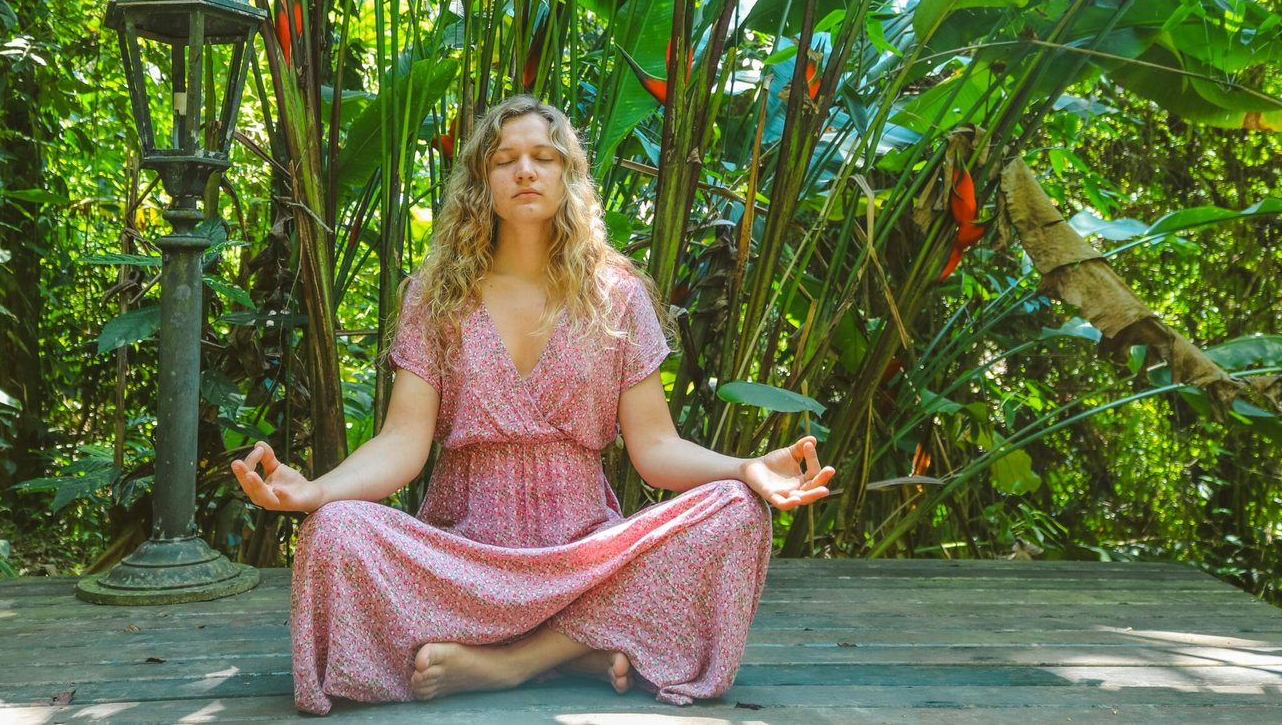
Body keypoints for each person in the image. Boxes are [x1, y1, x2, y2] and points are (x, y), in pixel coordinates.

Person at [231, 95, 834, 715]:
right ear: (480, 181)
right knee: (334, 530)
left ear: (568, 176)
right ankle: (575, 653)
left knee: (737, 510)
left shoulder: (616, 295)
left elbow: (654, 449)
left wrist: (744, 469)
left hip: (585, 560)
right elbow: (402, 444)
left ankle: (513, 663)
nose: (525, 171)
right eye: (505, 159)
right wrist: (316, 493)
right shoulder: (435, 293)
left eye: (544, 157)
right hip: (463, 562)